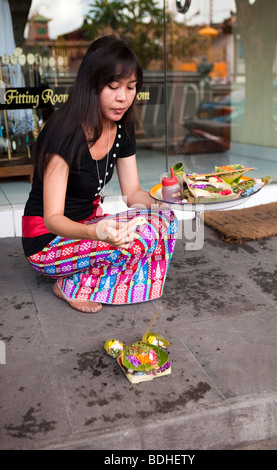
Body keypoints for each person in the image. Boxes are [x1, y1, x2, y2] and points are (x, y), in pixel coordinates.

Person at [22, 35, 178, 313]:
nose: (123, 98)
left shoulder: (122, 127)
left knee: (165, 221)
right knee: (133, 242)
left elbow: (133, 194)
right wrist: (96, 232)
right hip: (48, 240)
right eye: (113, 86)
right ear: (91, 85)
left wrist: (170, 203)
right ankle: (69, 285)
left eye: (131, 88)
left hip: (91, 227)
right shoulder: (63, 132)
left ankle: (84, 276)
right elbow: (52, 218)